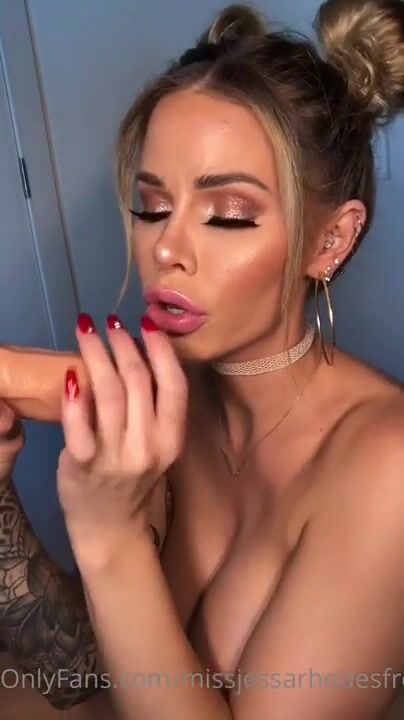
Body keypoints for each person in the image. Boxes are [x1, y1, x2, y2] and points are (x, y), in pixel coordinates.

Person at [1, 1, 404, 718]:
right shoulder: (170, 399)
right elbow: (78, 672)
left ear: (330, 241)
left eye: (228, 215)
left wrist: (110, 537)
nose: (165, 248)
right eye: (151, 207)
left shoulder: (387, 469)